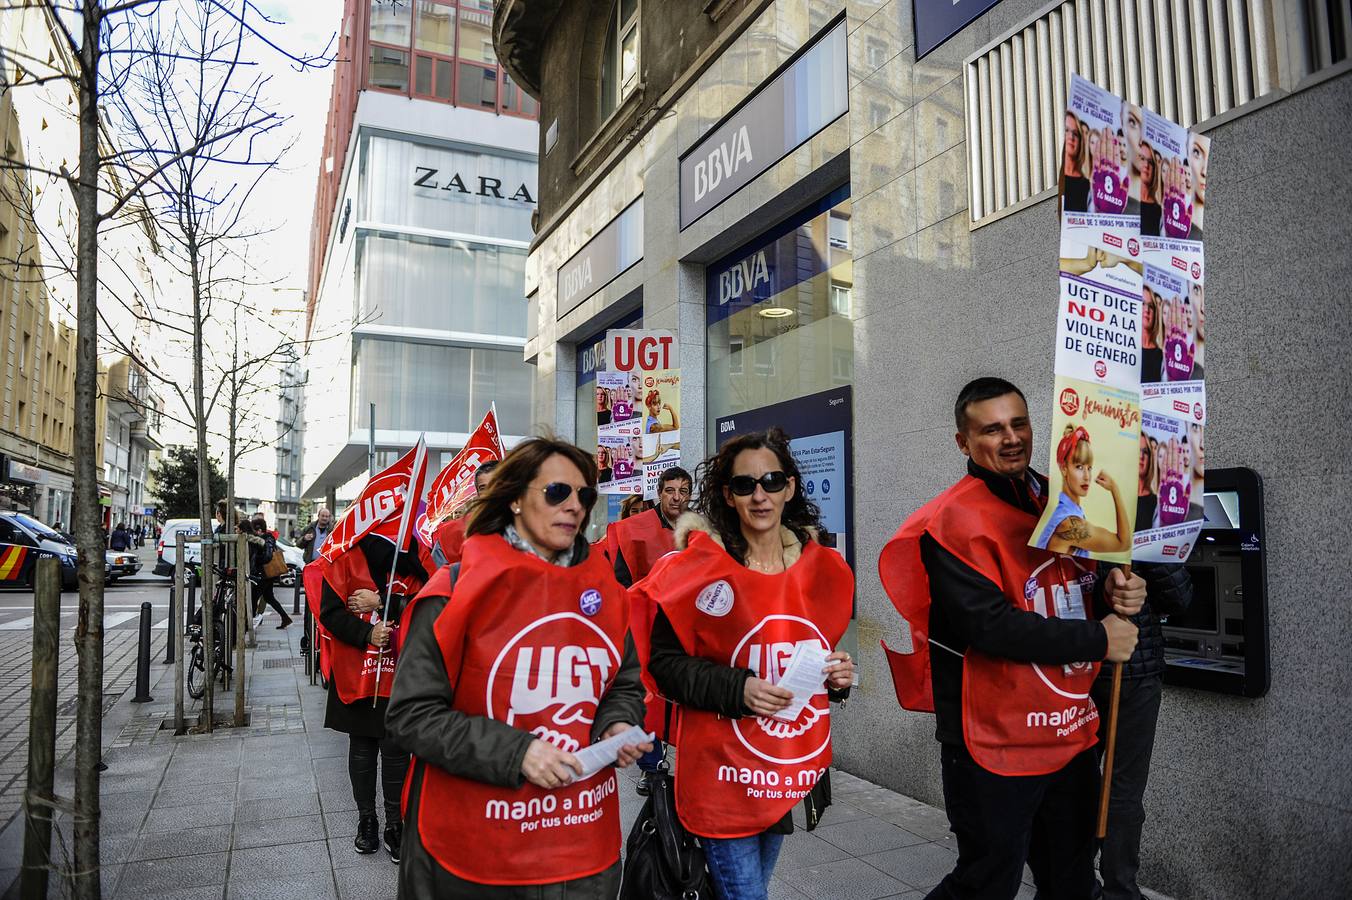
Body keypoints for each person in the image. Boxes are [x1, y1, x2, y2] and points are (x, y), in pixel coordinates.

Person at [878, 377, 1144, 900]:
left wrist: (1116, 587)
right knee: (986, 882)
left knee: (1070, 881)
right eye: (992, 429)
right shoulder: (950, 520)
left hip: (1068, 732)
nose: (1011, 437)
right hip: (990, 743)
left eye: (1018, 423)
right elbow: (990, 626)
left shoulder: (1061, 498)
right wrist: (1098, 639)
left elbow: (1080, 586)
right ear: (963, 442)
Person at [386, 437, 649, 898]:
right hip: (476, 852)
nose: (574, 506)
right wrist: (518, 753)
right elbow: (412, 715)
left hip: (579, 844)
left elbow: (623, 682)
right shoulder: (453, 590)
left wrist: (617, 722)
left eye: (585, 495)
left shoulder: (604, 591)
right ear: (514, 500)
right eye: (556, 493)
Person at [633, 429, 856, 900]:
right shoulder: (698, 570)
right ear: (726, 496)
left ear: (790, 488)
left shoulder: (818, 570)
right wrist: (739, 689)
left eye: (772, 481)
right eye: (744, 485)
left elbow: (812, 654)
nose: (760, 495)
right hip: (720, 772)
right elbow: (665, 665)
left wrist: (836, 677)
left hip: (782, 767)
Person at [320, 530, 429, 860]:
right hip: (358, 674)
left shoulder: (412, 558)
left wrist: (383, 602)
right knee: (363, 748)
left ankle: (396, 825)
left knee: (396, 749)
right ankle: (366, 820)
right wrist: (368, 633)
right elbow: (331, 612)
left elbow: (426, 604)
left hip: (399, 673)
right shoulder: (344, 557)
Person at [1093, 561, 1192, 900]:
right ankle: (1119, 890)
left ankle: (1072, 879)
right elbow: (1179, 598)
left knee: (1079, 783)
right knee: (1123, 787)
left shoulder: (1070, 513)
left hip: (1078, 665)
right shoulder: (1148, 524)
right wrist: (1155, 554)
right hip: (1131, 671)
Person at [610, 466, 692, 794]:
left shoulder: (699, 529)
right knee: (648, 697)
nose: (677, 497)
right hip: (647, 627)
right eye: (671, 490)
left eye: (683, 491)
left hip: (686, 628)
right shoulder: (635, 530)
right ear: (659, 493)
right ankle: (651, 766)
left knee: (684, 696)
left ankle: (687, 759)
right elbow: (621, 579)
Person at [1034, 425, 1132, 557]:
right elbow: (1123, 543)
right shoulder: (1069, 523)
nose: (1087, 476)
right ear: (1064, 468)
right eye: (1079, 467)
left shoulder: (1068, 511)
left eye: (1089, 468)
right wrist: (1115, 489)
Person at [431, 460, 499, 568]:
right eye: (483, 488)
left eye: (495, 485)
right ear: (477, 493)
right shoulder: (450, 534)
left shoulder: (526, 526)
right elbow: (435, 579)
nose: (490, 492)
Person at [249, 513, 293, 629]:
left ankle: (251, 621)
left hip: (265, 574)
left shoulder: (266, 539)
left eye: (254, 530)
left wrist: (257, 560)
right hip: (267, 574)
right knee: (269, 597)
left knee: (254, 596)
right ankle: (285, 618)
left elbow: (267, 556)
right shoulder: (266, 538)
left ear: (258, 530)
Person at [1061, 112, 1091, 212]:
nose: (1071, 137)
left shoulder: (1086, 184)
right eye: (1067, 131)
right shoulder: (1062, 180)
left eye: (1075, 133)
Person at [1137, 142, 1163, 235]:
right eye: (1142, 158)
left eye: (1150, 162)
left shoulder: (1160, 211)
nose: (1146, 165)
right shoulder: (1128, 200)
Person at [1141, 286, 1164, 383]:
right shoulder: (1125, 347)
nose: (1147, 309)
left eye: (1151, 306)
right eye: (1142, 303)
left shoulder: (1161, 357)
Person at [1137, 432, 1158, 529]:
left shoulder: (1156, 502)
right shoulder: (1119, 494)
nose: (1141, 456)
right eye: (1137, 450)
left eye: (1145, 452)